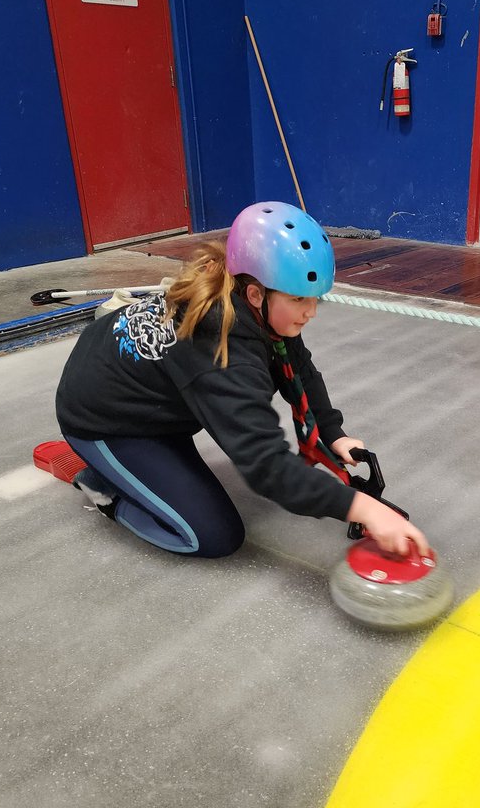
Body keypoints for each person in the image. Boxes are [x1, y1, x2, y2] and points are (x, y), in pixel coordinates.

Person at [54, 201, 430, 558]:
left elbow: (298, 367)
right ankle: (105, 490)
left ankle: (151, 460)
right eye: (300, 299)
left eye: (317, 299)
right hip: (106, 420)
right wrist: (362, 509)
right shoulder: (221, 353)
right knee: (211, 536)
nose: (311, 312)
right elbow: (266, 467)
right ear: (256, 293)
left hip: (151, 398)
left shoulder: (242, 295)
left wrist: (332, 432)